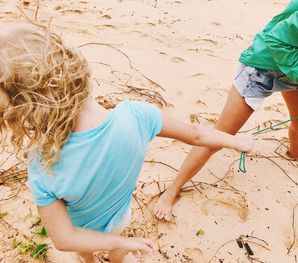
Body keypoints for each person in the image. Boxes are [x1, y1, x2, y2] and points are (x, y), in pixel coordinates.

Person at [0, 23, 253, 263]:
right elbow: (197, 134)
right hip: (118, 219)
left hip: (80, 231)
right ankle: (119, 253)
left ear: (24, 112)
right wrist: (233, 140)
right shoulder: (138, 116)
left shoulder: (42, 166)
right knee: (118, 245)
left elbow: (65, 239)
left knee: (84, 251)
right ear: (73, 65)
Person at [154, 0, 298, 221]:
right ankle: (172, 189)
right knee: (221, 135)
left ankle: (294, 152)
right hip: (266, 64)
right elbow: (278, 40)